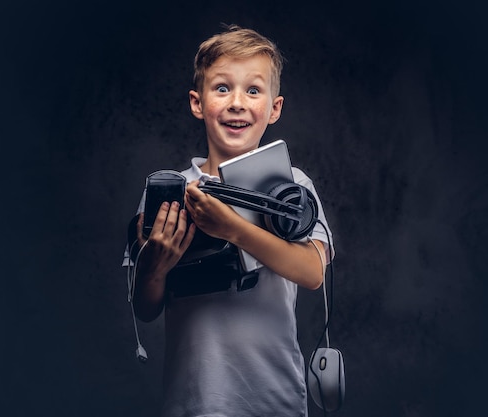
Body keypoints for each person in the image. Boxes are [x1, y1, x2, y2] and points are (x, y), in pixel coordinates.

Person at [124, 24, 334, 417]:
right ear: (197, 102)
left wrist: (231, 229)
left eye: (253, 90)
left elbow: (312, 272)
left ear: (274, 108)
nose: (237, 102)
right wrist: (154, 265)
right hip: (196, 401)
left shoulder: (292, 185)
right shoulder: (169, 191)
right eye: (222, 88)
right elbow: (146, 308)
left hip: (275, 400)